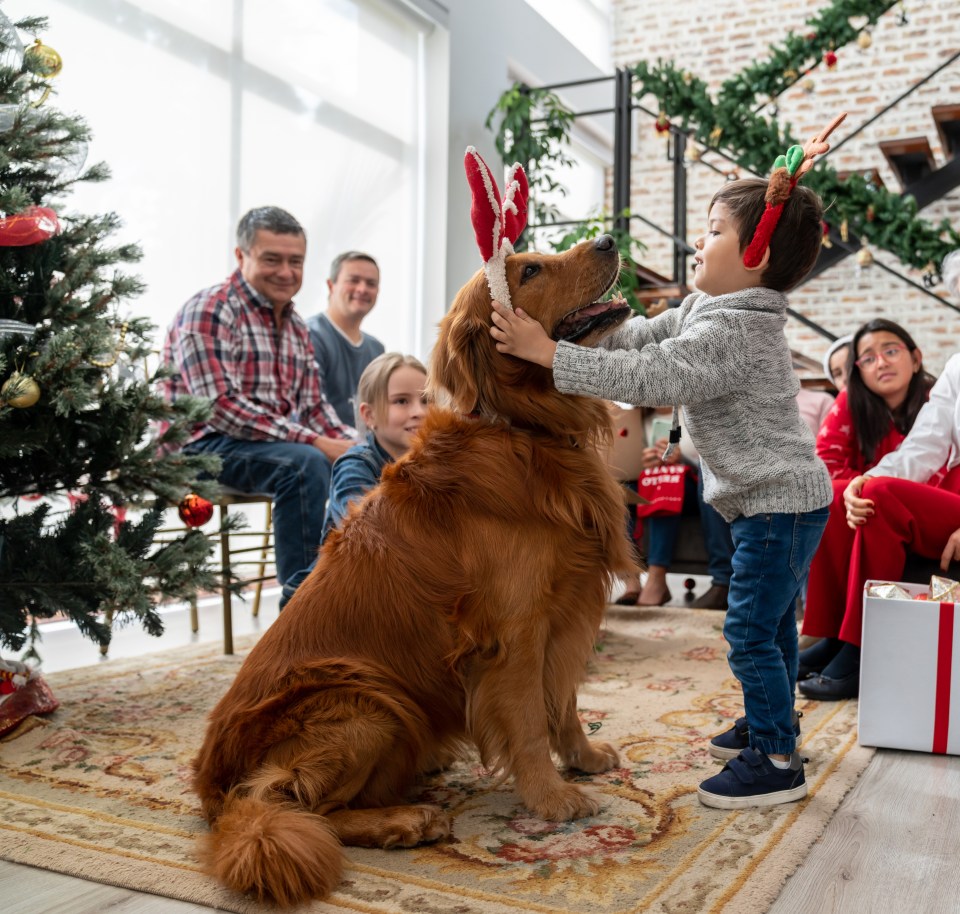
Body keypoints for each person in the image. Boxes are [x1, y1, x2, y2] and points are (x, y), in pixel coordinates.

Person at [490, 149, 835, 808]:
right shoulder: (710, 310)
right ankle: (776, 723)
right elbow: (640, 341)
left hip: (777, 503)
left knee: (751, 632)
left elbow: (650, 377)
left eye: (712, 230)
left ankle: (776, 759)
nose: (697, 242)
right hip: (768, 501)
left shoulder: (735, 331)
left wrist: (550, 356)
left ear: (754, 255)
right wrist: (570, 339)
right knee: (773, 627)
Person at [159, 206, 356, 590]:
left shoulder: (297, 326)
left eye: (295, 261)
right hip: (196, 449)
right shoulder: (210, 310)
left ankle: (353, 594)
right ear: (241, 256)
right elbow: (219, 409)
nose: (286, 272)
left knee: (360, 461)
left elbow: (314, 408)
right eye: (272, 259)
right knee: (305, 464)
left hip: (267, 448)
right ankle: (300, 609)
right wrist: (318, 442)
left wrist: (360, 446)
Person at [799, 261, 959, 700]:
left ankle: (857, 647)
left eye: (891, 351)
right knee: (865, 492)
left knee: (880, 493)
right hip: (939, 500)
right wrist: (863, 481)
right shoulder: (957, 369)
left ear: (914, 356)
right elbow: (924, 447)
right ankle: (838, 637)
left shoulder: (931, 382)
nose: (881, 364)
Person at [279, 352, 428, 607]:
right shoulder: (356, 465)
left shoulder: (432, 464)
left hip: (399, 588)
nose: (419, 412)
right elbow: (368, 536)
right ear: (368, 415)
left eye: (426, 400)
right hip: (337, 597)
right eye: (401, 401)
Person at [307, 251, 385, 427]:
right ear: (331, 285)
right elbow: (312, 412)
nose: (362, 289)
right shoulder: (309, 336)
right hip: (327, 446)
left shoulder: (377, 349)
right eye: (353, 280)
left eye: (371, 283)